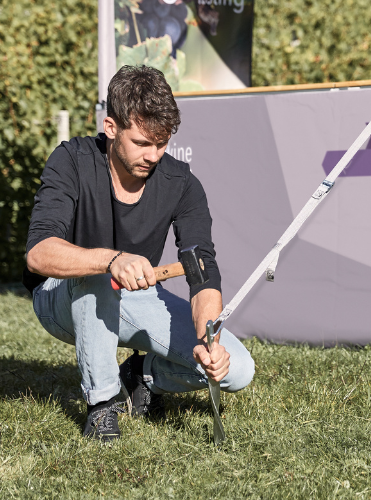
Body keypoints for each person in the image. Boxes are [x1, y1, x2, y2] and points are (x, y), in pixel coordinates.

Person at [23, 65, 255, 442]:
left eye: (162, 144)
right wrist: (111, 259)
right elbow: (38, 253)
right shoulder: (71, 160)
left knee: (237, 369)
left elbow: (203, 271)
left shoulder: (182, 183)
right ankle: (102, 405)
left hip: (138, 295)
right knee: (100, 275)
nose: (153, 155)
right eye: (143, 143)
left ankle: (141, 376)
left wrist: (209, 339)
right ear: (111, 127)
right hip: (61, 296)